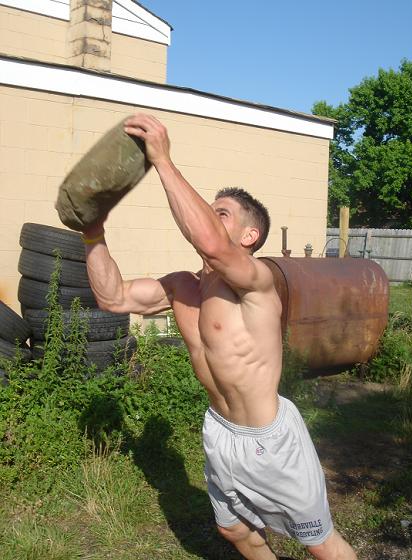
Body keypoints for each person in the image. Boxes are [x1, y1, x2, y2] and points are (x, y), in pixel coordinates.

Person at [82, 113, 357, 560]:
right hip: (220, 430)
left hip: (271, 440)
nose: (208, 216)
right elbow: (112, 298)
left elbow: (211, 244)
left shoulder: (258, 282)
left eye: (220, 213)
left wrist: (163, 162)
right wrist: (93, 233)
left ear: (250, 235)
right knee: (236, 533)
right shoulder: (182, 287)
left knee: (319, 542)